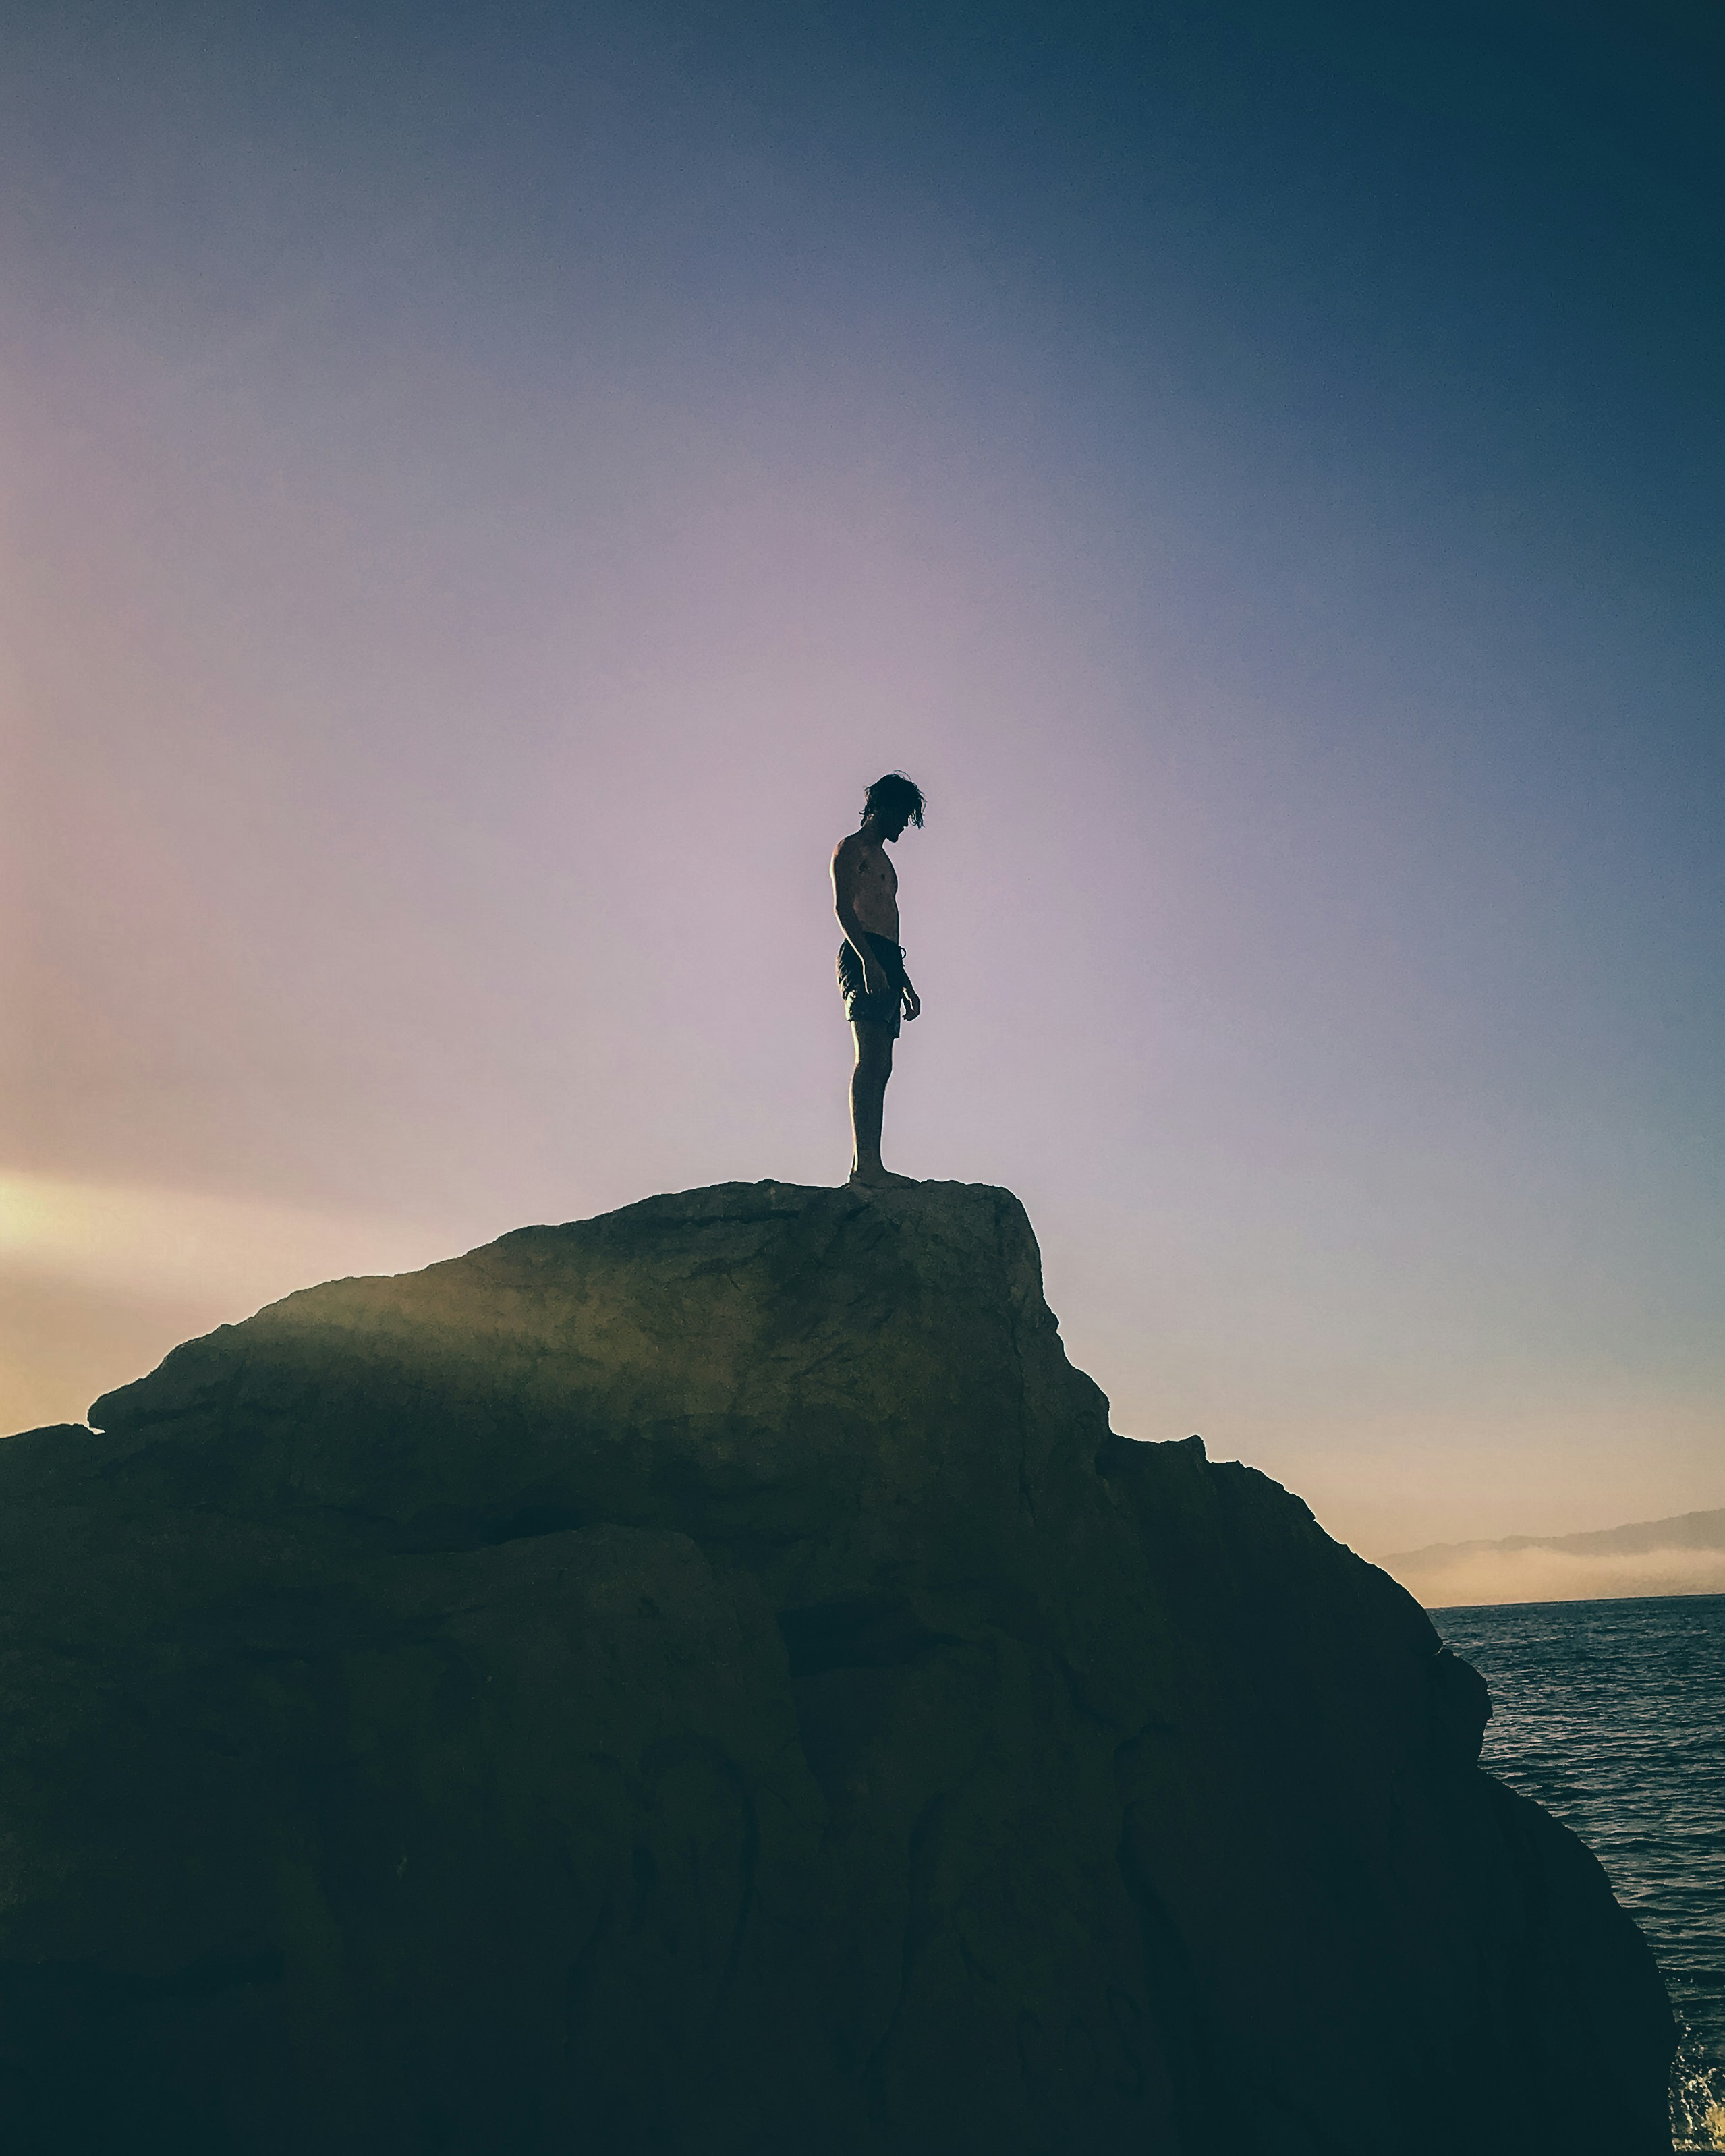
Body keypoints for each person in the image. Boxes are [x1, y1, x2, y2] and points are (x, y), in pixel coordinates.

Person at [832, 772, 924, 1186]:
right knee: (870, 1059)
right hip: (862, 951)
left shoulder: (886, 862)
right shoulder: (853, 849)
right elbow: (845, 910)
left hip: (886, 957)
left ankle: (870, 1164)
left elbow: (891, 922)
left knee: (883, 1065)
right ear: (883, 808)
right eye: (902, 815)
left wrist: (903, 981)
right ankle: (864, 1165)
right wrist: (867, 961)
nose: (905, 824)